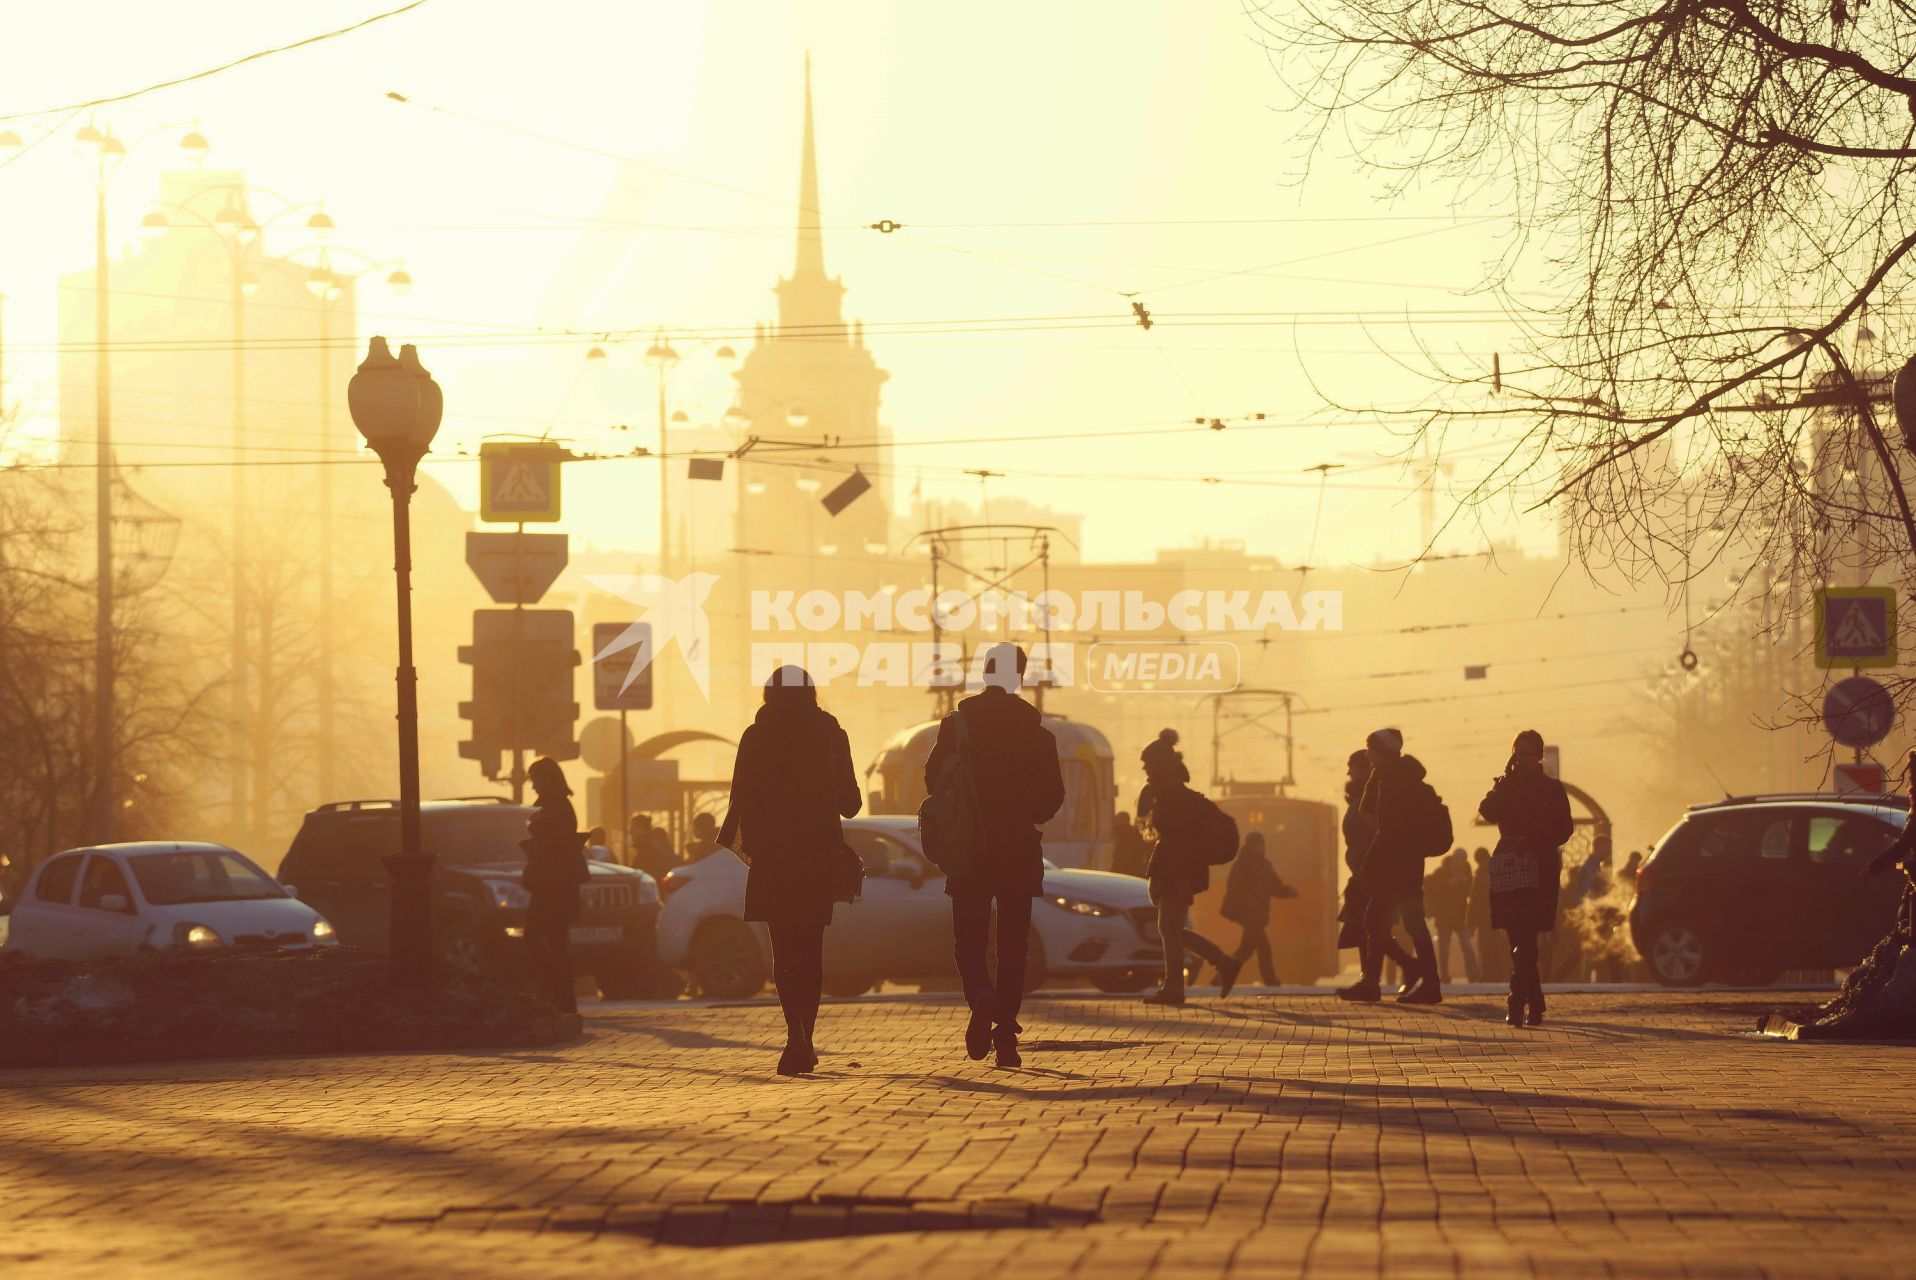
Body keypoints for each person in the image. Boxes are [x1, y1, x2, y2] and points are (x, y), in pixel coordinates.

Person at [924, 642, 1064, 1068]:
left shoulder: (957, 727)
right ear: (1019, 678)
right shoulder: (1037, 734)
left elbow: (933, 781)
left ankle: (981, 998)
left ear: (984, 675)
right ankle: (1006, 1036)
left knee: (969, 937)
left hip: (970, 848)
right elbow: (1051, 797)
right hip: (1018, 850)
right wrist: (1025, 813)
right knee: (1013, 945)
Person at [718, 665, 861, 1076]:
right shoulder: (830, 734)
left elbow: (738, 800)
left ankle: (794, 1034)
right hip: (816, 853)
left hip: (772, 858)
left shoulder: (755, 736)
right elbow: (850, 804)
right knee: (810, 949)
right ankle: (807, 1039)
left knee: (784, 950)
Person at [1138, 729, 1243, 1005]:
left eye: (1150, 766)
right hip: (1176, 872)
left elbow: (1180, 845)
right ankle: (1223, 963)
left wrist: (1180, 879)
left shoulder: (1176, 800)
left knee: (1169, 929)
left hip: (1178, 873)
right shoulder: (1172, 797)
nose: (1146, 771)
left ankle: (1175, 988)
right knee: (1171, 929)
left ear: (1163, 767)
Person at [1341, 728, 1445, 1005]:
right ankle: (1400, 982)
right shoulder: (1393, 778)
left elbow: (1388, 830)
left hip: (1395, 865)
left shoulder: (1393, 783)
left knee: (1383, 920)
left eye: (1371, 750)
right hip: (1405, 864)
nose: (1368, 755)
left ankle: (1412, 984)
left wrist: (1369, 861)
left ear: (1383, 753)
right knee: (1388, 920)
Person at [1479, 728, 1574, 1027]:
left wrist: (1537, 839)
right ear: (1514, 754)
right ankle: (1534, 1000)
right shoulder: (1506, 785)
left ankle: (1517, 1001)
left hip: (1539, 866)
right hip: (1508, 862)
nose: (1525, 759)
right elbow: (1487, 811)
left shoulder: (1551, 789)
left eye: (1530, 754)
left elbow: (1565, 829)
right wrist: (1502, 784)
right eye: (1520, 753)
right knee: (1514, 935)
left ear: (1539, 756)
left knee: (1528, 936)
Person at [522, 756, 588, 1015]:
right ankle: (561, 999)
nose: (533, 787)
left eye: (535, 781)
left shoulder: (556, 808)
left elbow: (553, 847)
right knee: (556, 942)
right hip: (558, 887)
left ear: (545, 781)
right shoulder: (559, 806)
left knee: (536, 937)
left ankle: (551, 991)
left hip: (552, 888)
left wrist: (535, 831)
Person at [1220, 830, 1296, 986]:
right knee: (1264, 948)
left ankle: (1220, 978)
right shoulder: (1242, 864)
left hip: (1258, 913)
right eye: (1256, 844)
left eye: (1261, 843)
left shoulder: (1265, 865)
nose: (1260, 847)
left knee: (1246, 950)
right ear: (1249, 846)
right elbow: (1235, 889)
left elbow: (1275, 886)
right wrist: (1251, 904)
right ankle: (1270, 981)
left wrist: (1288, 891)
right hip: (1247, 914)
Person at [1426, 848, 1478, 983]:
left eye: (1463, 860)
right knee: (1444, 950)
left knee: (1467, 947)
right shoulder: (1442, 872)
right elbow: (1431, 886)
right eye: (1458, 860)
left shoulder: (1467, 873)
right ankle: (1444, 976)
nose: (1460, 863)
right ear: (1454, 860)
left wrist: (1466, 882)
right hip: (1444, 918)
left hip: (1461, 918)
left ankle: (1473, 975)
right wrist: (1448, 884)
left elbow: (1472, 893)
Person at [1467, 847, 1503, 982]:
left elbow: (1475, 901)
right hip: (1496, 916)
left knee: (1485, 948)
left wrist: (1470, 921)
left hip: (1483, 918)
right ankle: (1498, 974)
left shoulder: (1480, 875)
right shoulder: (1497, 872)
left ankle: (1488, 975)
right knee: (1495, 947)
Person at [1112, 811, 1149, 878]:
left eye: (1123, 827)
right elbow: (1116, 865)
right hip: (1122, 878)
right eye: (1120, 828)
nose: (1122, 831)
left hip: (1134, 877)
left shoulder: (1137, 840)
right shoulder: (1118, 842)